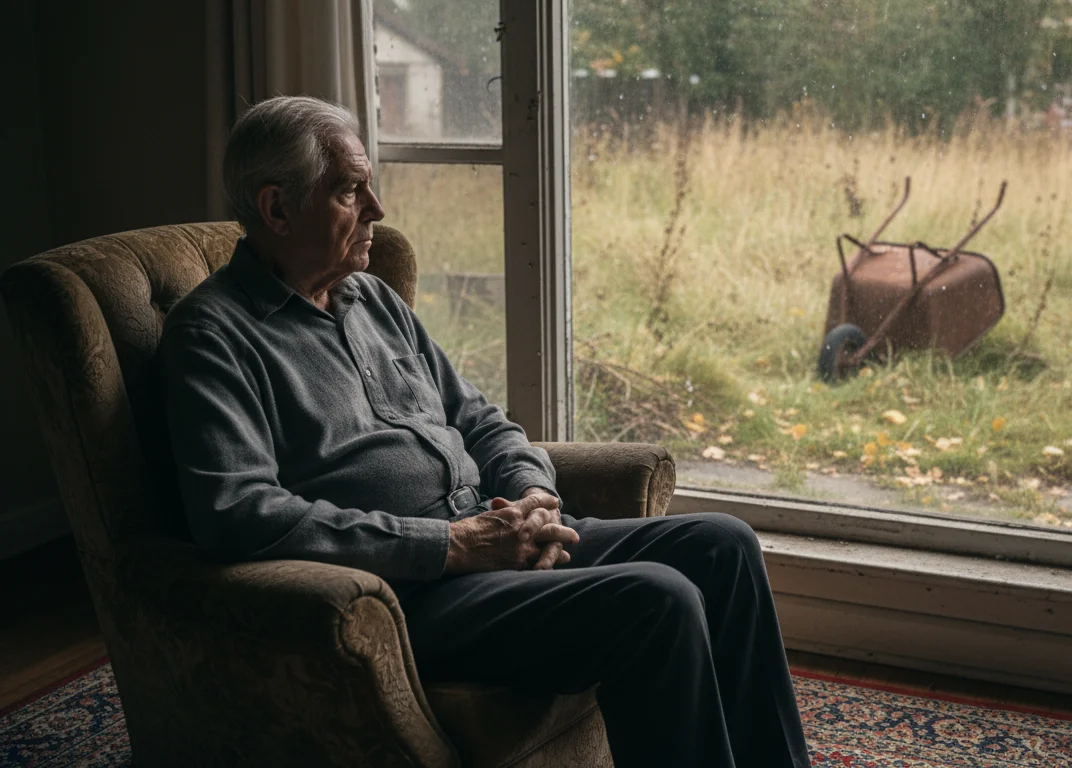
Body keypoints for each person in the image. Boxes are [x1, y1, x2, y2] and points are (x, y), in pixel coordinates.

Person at [156, 95, 809, 768]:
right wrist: (452, 545)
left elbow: (478, 419)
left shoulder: (371, 298)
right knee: (660, 601)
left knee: (724, 545)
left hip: (493, 536)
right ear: (277, 209)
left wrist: (532, 496)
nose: (378, 210)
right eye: (352, 191)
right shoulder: (213, 337)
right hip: (409, 592)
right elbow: (238, 516)